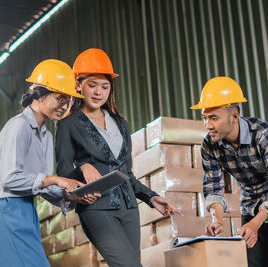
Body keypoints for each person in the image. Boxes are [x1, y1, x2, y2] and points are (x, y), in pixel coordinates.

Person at [55, 48, 180, 267]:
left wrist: (151, 197)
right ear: (78, 85)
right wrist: (83, 167)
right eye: (91, 85)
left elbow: (126, 174)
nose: (98, 92)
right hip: (97, 209)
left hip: (129, 209)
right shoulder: (68, 125)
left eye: (105, 86)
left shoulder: (121, 124)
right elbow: (64, 175)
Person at [0, 59, 96, 267]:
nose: (64, 106)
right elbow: (10, 179)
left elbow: (41, 186)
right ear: (40, 94)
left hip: (25, 208)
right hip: (4, 207)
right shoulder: (18, 127)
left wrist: (72, 195)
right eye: (60, 99)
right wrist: (56, 179)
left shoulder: (46, 136)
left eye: (68, 101)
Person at [191, 77, 268, 267]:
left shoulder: (262, 133)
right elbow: (213, 187)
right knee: (255, 263)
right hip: (250, 200)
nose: (208, 125)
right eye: (204, 118)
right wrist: (218, 219)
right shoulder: (209, 145)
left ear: (234, 115)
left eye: (214, 118)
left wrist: (256, 223)